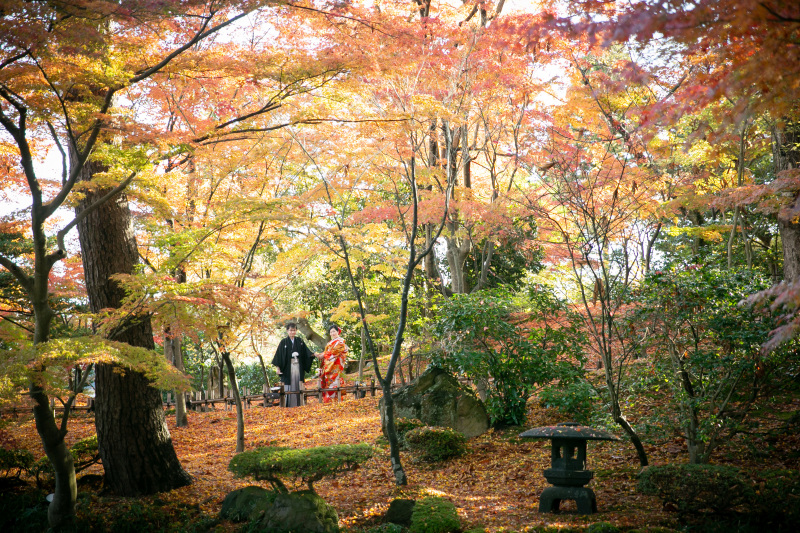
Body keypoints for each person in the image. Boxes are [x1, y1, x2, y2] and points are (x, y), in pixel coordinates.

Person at [271, 322, 315, 407]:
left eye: (294, 330)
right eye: (290, 330)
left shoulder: (300, 341)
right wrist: (278, 368)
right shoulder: (283, 342)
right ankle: (288, 404)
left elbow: (306, 352)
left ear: (296, 331)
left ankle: (299, 403)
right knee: (288, 383)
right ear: (287, 331)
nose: (292, 332)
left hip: (298, 366)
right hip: (287, 367)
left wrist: (312, 355)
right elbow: (278, 356)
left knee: (298, 382)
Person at [316, 324, 348, 403]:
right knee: (328, 379)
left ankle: (335, 399)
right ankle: (329, 398)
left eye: (334, 331)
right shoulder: (330, 342)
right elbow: (327, 352)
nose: (332, 333)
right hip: (328, 364)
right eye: (331, 332)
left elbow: (335, 352)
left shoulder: (340, 341)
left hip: (336, 363)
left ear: (338, 332)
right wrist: (321, 355)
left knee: (334, 379)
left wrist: (323, 355)